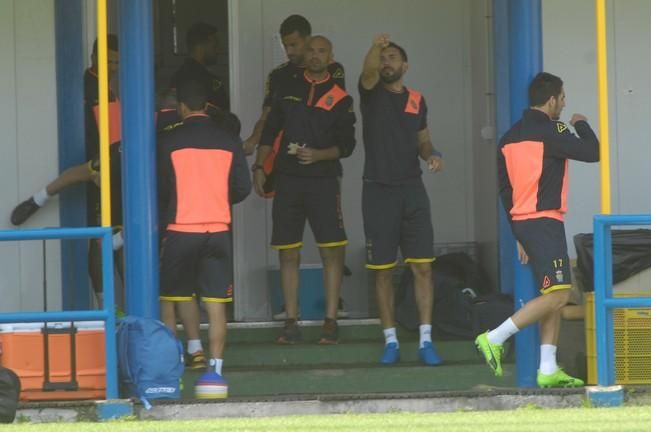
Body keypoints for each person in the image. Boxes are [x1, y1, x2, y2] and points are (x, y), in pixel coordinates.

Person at [475, 72, 599, 388]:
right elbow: (592, 152)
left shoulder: (509, 137)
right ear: (552, 100)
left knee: (550, 293)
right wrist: (581, 123)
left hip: (525, 223)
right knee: (559, 295)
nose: (564, 102)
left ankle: (547, 368)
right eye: (563, 97)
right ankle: (494, 337)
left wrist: (519, 233)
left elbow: (505, 192)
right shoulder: (554, 129)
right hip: (544, 222)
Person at [253, 36, 355, 344]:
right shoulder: (287, 88)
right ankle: (291, 322)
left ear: (330, 55)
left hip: (324, 181)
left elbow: (348, 145)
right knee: (288, 252)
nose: (315, 55)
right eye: (310, 50)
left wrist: (319, 155)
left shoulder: (341, 97)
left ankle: (330, 321)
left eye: (321, 50)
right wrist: (259, 167)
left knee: (331, 251)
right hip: (288, 180)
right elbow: (270, 132)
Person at [10, 35, 123, 307]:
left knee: (110, 236)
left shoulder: (107, 87)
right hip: (95, 159)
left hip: (110, 160)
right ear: (95, 57)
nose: (114, 66)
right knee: (99, 237)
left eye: (117, 62)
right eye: (109, 61)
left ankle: (115, 307)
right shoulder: (86, 85)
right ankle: (106, 306)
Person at [157, 79, 251, 399]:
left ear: (182, 108)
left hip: (182, 228)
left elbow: (161, 186)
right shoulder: (229, 140)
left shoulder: (170, 140)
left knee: (172, 296)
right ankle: (215, 373)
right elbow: (242, 188)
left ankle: (173, 364)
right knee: (216, 304)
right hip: (218, 230)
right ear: (207, 106)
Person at [359, 35, 444, 366]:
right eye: (383, 58)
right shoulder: (371, 91)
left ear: (405, 66)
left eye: (392, 57)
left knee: (423, 267)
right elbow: (367, 72)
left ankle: (426, 340)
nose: (386, 62)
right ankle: (391, 341)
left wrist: (432, 155)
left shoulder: (417, 100)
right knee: (383, 270)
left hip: (412, 189)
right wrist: (374, 48)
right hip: (378, 190)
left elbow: (423, 140)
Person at [242, 14, 345, 156]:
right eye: (285, 46)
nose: (289, 52)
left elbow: (336, 115)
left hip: (322, 159)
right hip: (283, 158)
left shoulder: (332, 70)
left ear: (308, 40)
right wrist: (253, 141)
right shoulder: (278, 74)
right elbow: (267, 115)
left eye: (293, 45)